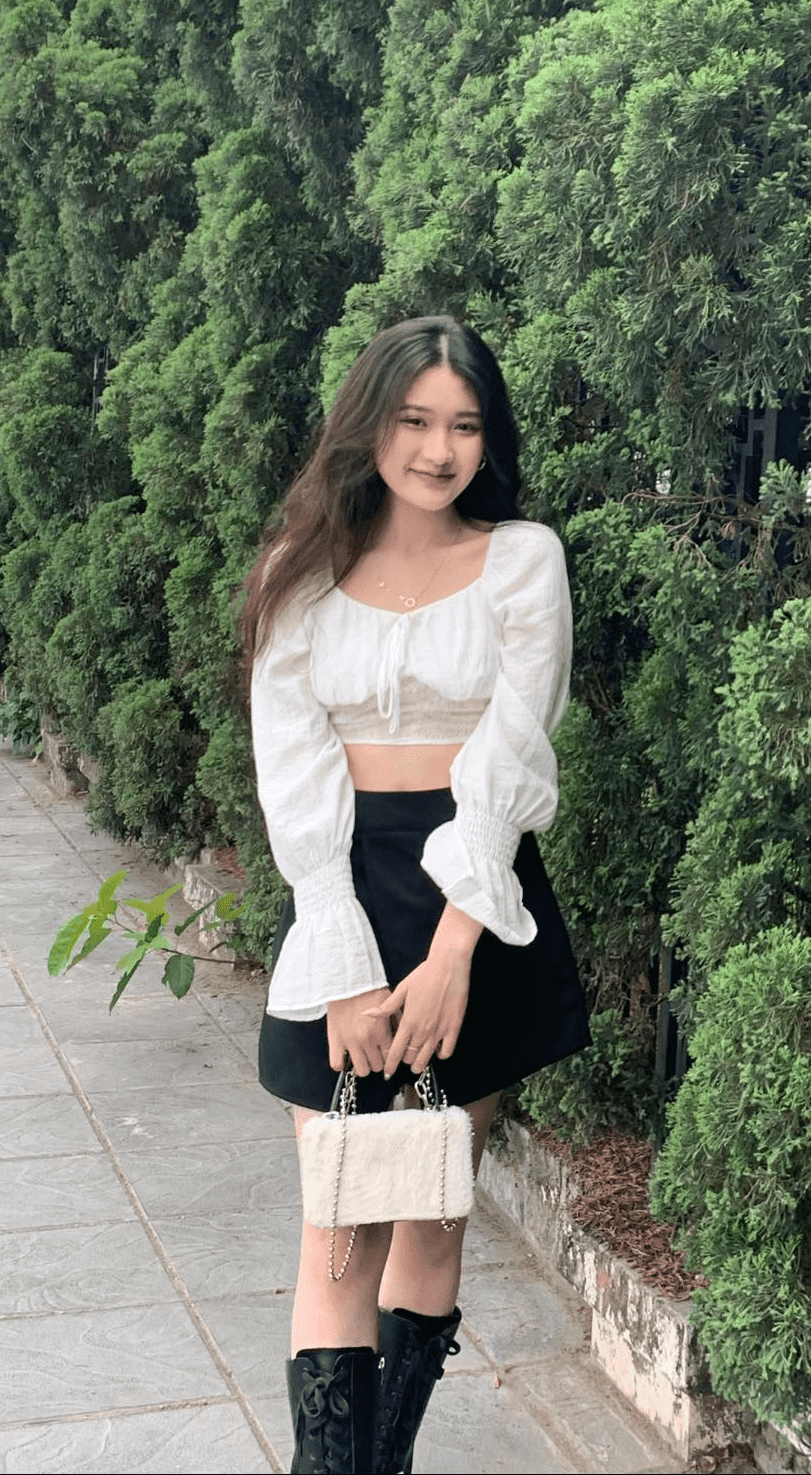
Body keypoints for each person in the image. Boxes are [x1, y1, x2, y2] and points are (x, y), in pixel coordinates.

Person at [240, 315, 590, 1474]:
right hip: (340, 883)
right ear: (369, 425)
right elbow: (296, 774)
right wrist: (345, 969)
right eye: (415, 420)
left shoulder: (522, 560)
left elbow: (512, 756)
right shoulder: (301, 575)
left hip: (471, 898)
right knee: (340, 1226)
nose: (439, 450)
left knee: (432, 1212)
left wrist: (450, 958)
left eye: (465, 426)